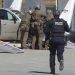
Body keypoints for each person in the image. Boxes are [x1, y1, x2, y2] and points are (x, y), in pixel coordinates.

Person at [43, 10, 70, 74]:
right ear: (59, 14)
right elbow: (68, 29)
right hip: (61, 40)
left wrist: (47, 38)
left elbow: (46, 31)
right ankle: (60, 60)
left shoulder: (50, 22)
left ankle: (52, 71)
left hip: (53, 40)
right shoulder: (63, 21)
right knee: (60, 54)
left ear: (53, 14)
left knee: (52, 54)